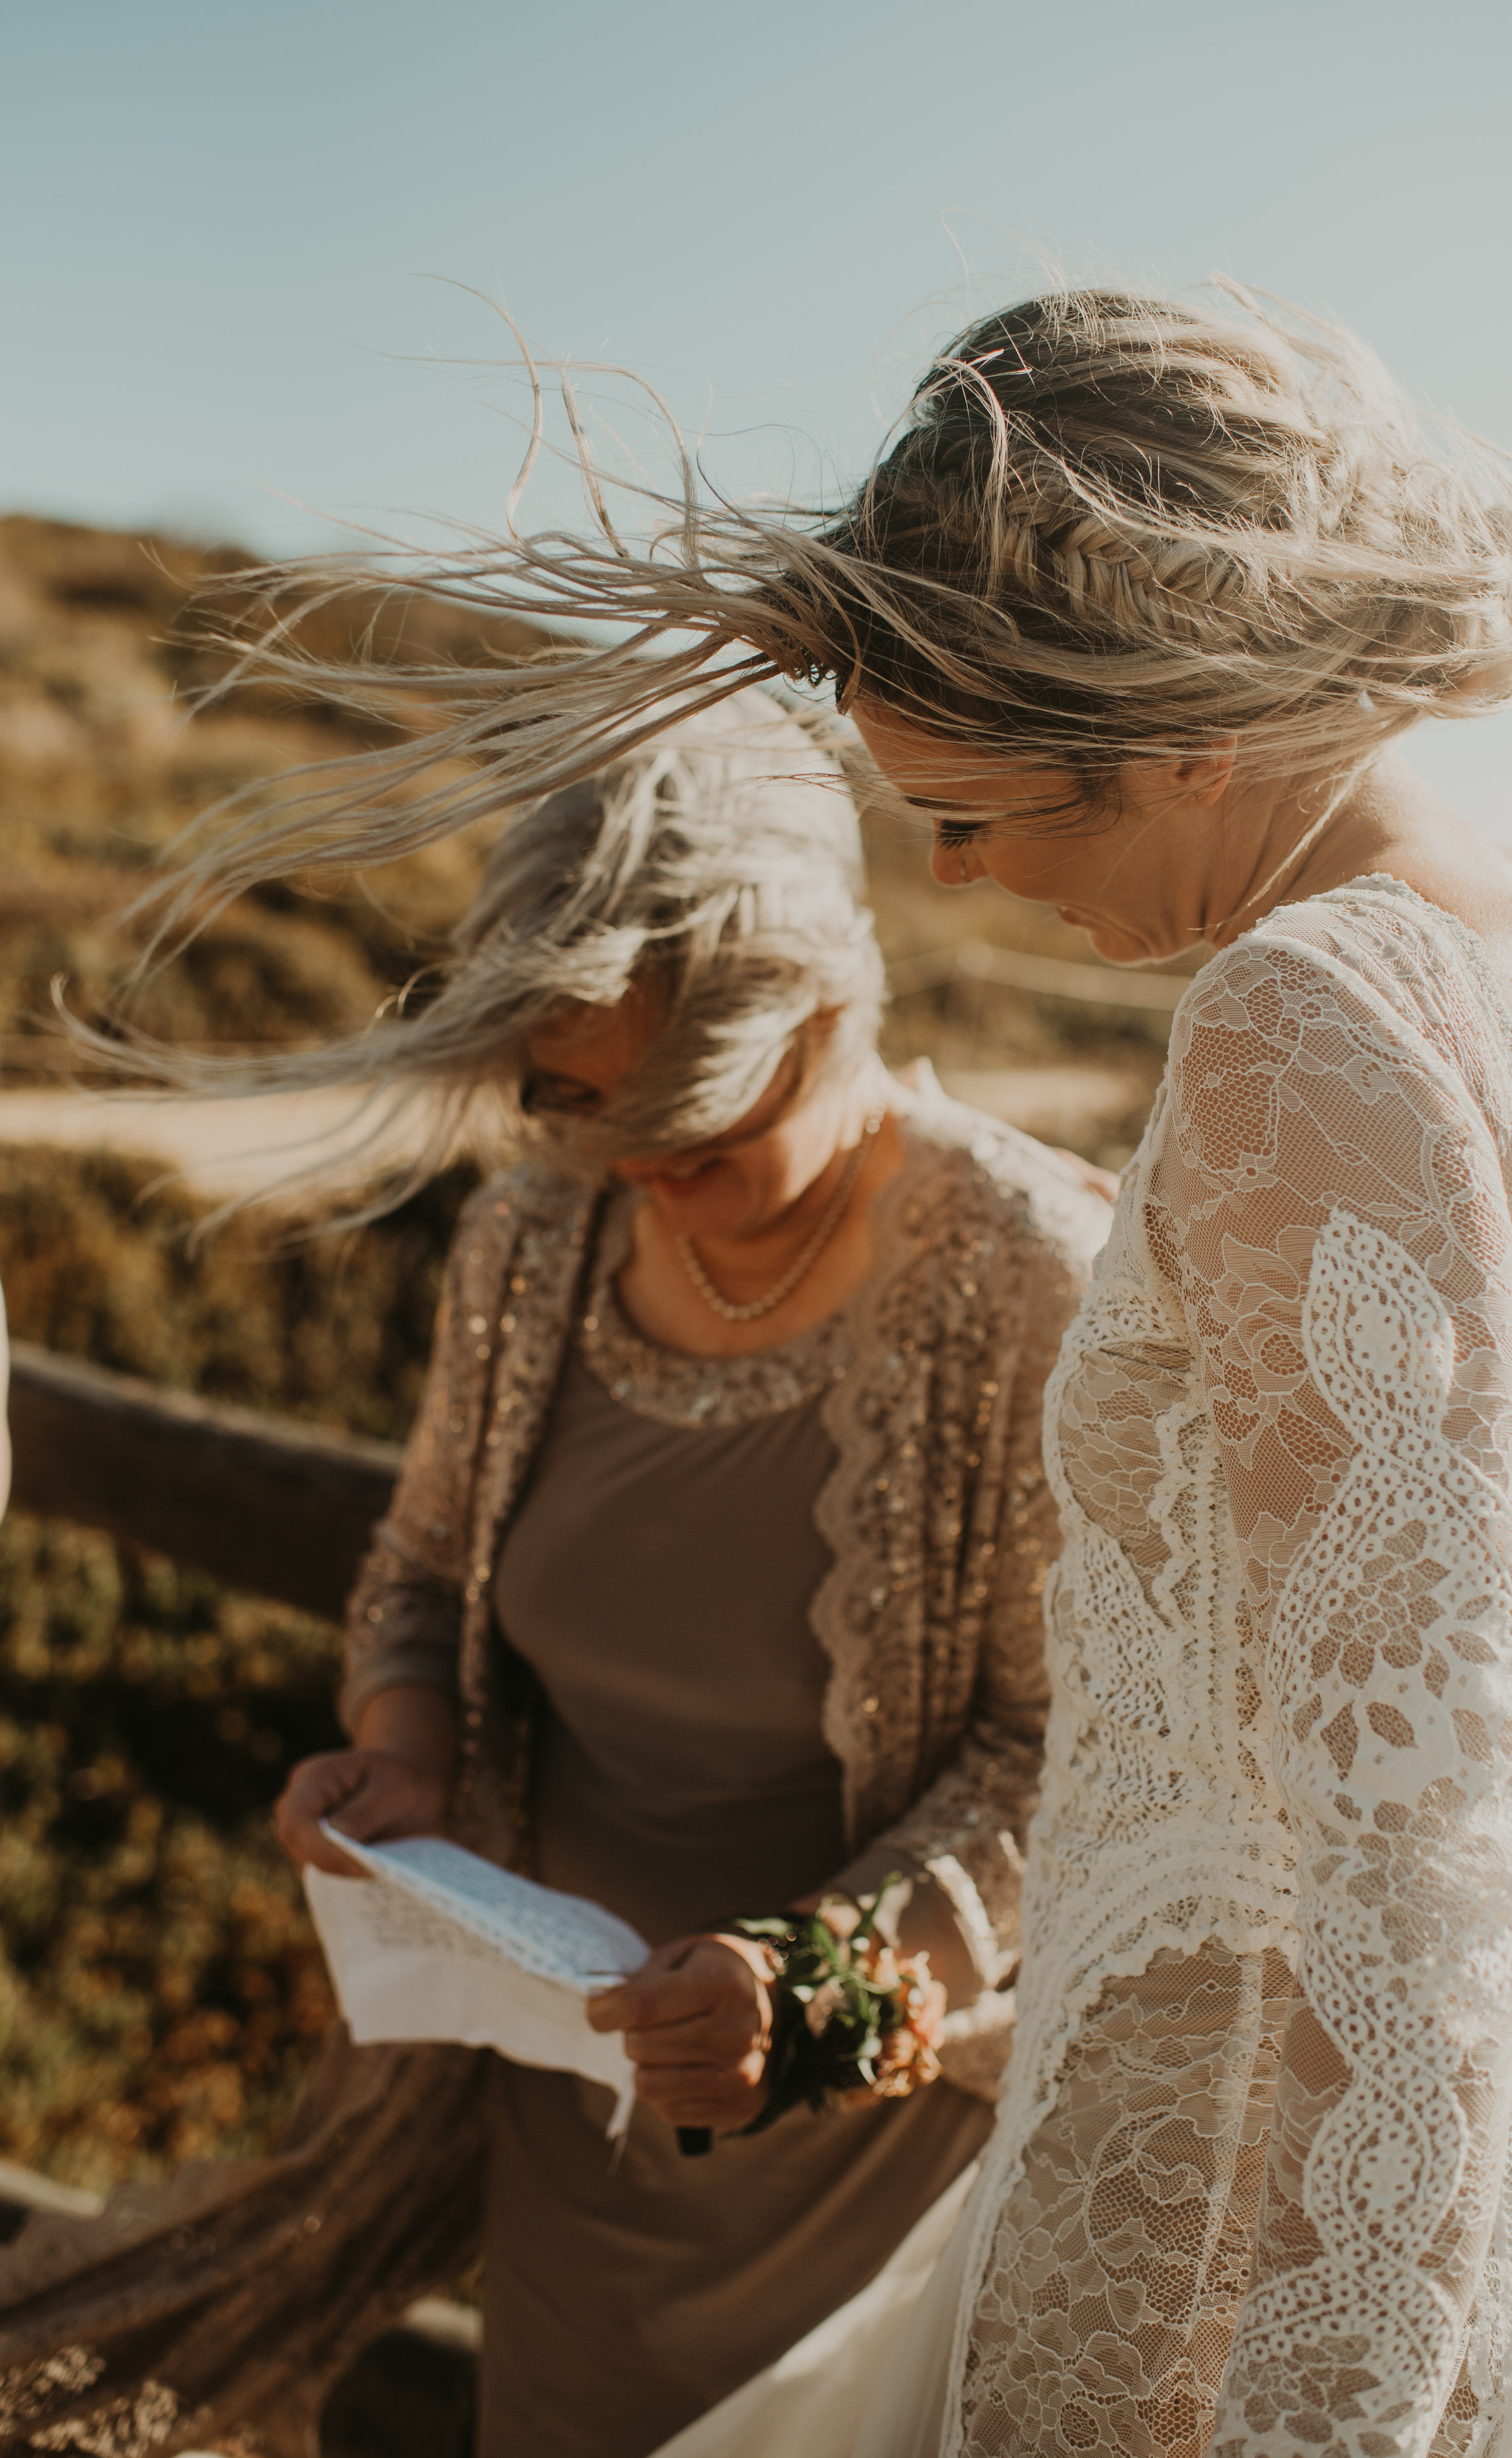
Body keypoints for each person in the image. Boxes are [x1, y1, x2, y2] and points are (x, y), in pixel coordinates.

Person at [107, 276, 1512, 2455]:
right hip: (1362, 2143)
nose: (953, 872)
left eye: (983, 807)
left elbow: (1408, 1856)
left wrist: (1335, 2406)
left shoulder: (1307, 1011)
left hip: (1248, 2222)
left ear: (1174, 717)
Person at [0, 700, 1110, 2458]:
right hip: (561, 2126)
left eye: (695, 1109)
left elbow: (1076, 1752)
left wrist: (808, 1988)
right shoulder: (537, 1233)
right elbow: (425, 1562)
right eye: (582, 1104)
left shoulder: (1035, 1279)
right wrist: (407, 1740)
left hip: (874, 2175)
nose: (638, 1166)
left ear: (830, 1002)